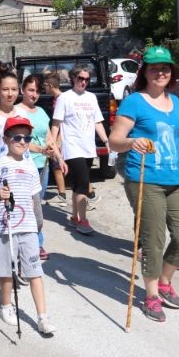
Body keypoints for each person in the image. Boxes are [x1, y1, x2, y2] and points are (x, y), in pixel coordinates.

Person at [109, 46, 179, 323]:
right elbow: (114, 141)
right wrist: (132, 141)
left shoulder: (176, 102)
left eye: (165, 68)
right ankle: (150, 296)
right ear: (144, 72)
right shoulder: (134, 102)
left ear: (171, 72)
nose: (160, 72)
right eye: (154, 68)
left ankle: (165, 280)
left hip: (177, 179)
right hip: (145, 179)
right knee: (153, 240)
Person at [0, 116, 57, 335]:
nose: (22, 141)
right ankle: (6, 305)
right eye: (17, 137)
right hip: (6, 226)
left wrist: (38, 221)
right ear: (6, 139)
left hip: (28, 227)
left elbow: (35, 198)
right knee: (7, 270)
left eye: (27, 138)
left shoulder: (30, 166)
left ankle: (42, 316)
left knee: (34, 270)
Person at [49, 64, 109, 235]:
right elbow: (56, 123)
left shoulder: (91, 97)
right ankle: (83, 221)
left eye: (87, 79)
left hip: (88, 147)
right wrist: (53, 145)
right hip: (72, 147)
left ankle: (75, 217)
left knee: (78, 184)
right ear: (73, 79)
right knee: (83, 183)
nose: (83, 82)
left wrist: (106, 141)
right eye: (80, 78)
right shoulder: (65, 98)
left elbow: (97, 122)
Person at [15, 74, 65, 260]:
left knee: (37, 206)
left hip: (42, 166)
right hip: (24, 166)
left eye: (36, 91)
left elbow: (49, 138)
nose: (34, 94)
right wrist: (41, 149)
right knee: (27, 205)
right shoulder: (16, 112)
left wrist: (59, 158)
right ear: (23, 90)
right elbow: (19, 142)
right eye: (30, 90)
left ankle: (35, 242)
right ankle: (31, 243)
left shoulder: (42, 112)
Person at [43, 72, 68, 206]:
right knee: (56, 165)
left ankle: (90, 194)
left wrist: (57, 140)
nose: (44, 87)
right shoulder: (57, 98)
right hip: (59, 138)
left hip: (63, 138)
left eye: (45, 85)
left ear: (50, 85)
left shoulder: (61, 99)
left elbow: (62, 122)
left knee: (58, 164)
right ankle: (62, 194)